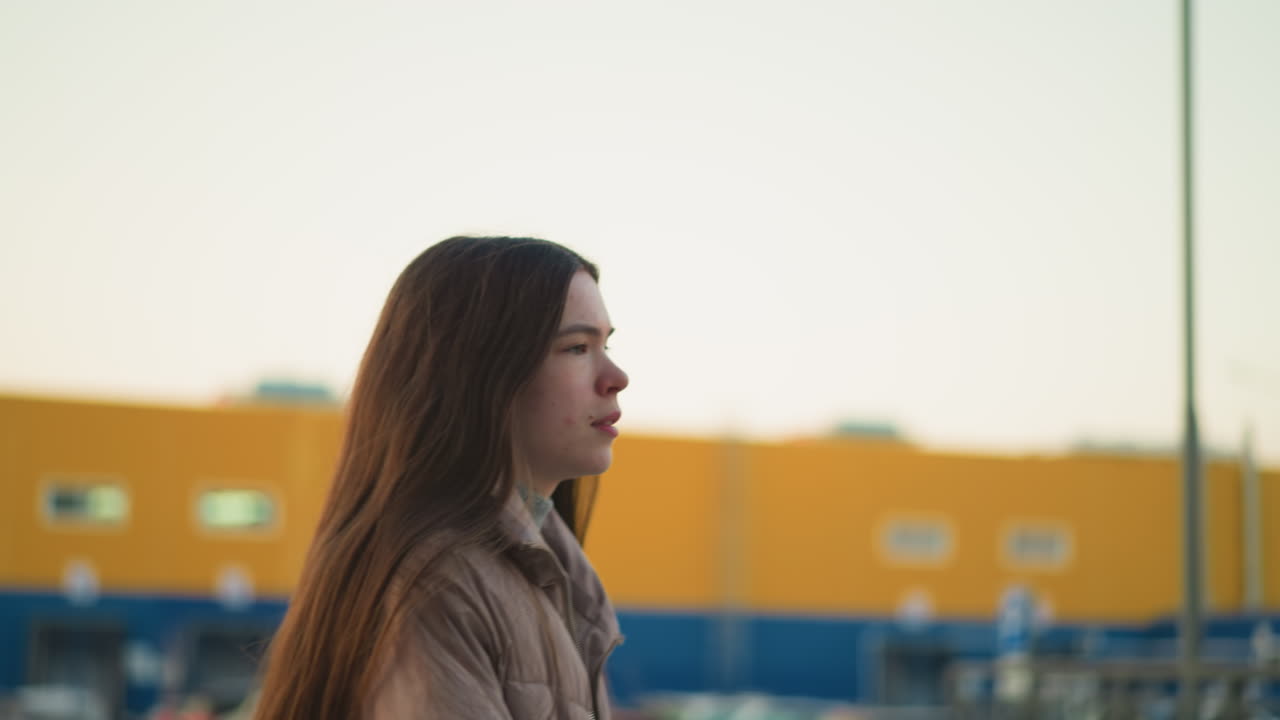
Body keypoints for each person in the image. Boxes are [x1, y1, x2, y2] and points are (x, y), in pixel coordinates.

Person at [252, 236, 630, 719]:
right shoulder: (438, 586)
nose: (616, 375)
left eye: (607, 343)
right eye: (577, 347)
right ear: (480, 370)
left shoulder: (545, 577)